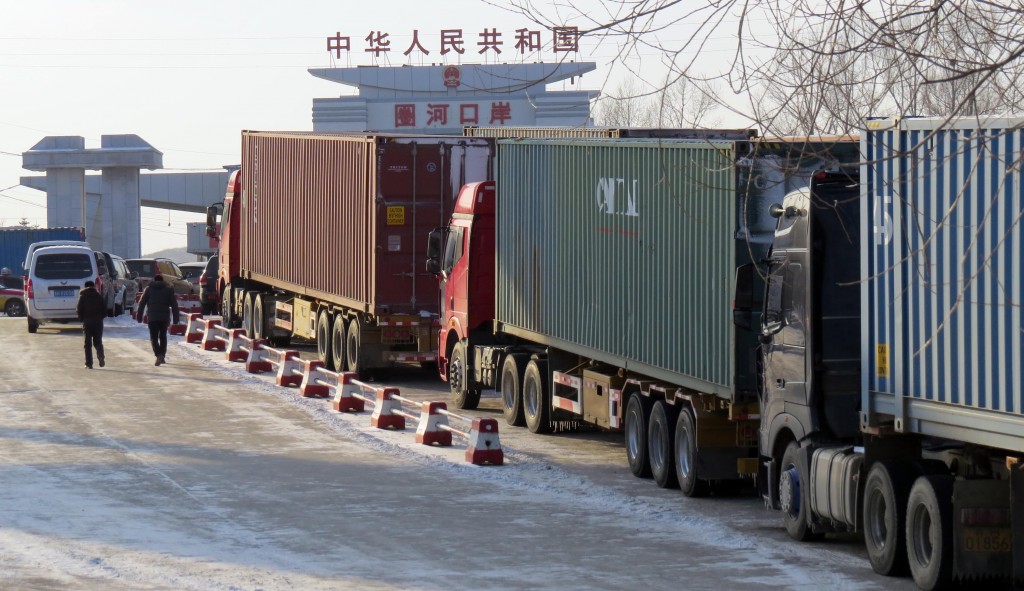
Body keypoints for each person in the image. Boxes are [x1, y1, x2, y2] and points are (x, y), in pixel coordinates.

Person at [136, 274, 179, 366]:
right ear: (162, 281)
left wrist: (139, 316)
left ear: (154, 280)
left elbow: (141, 304)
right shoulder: (168, 290)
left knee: (154, 338)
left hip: (152, 318)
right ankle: (162, 355)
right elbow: (174, 305)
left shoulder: (148, 289)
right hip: (164, 318)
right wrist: (176, 319)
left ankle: (158, 354)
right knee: (163, 336)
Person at [76, 280, 107, 369]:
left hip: (87, 322)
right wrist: (100, 318)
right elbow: (105, 311)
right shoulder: (99, 296)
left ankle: (89, 363)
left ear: (85, 287)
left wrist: (82, 319)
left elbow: (79, 309)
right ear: (94, 287)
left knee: (87, 343)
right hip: (98, 322)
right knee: (98, 341)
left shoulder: (83, 297)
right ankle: (100, 355)